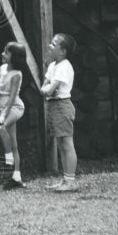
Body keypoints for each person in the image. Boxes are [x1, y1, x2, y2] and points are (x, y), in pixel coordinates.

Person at [40, 33, 78, 192]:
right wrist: (46, 89)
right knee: (61, 144)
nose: (50, 46)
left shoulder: (64, 66)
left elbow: (48, 89)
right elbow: (45, 85)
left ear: (62, 51)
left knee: (67, 144)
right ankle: (66, 179)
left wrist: (46, 89)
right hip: (54, 107)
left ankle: (71, 181)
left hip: (62, 106)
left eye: (54, 44)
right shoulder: (52, 66)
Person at [0, 41, 28, 190]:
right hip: (3, 107)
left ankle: (8, 158)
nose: (3, 54)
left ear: (14, 57)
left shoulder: (17, 75)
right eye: (4, 51)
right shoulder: (2, 68)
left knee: (0, 127)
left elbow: (12, 98)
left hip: (14, 107)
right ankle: (17, 177)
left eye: (6, 52)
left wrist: (3, 115)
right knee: (14, 143)